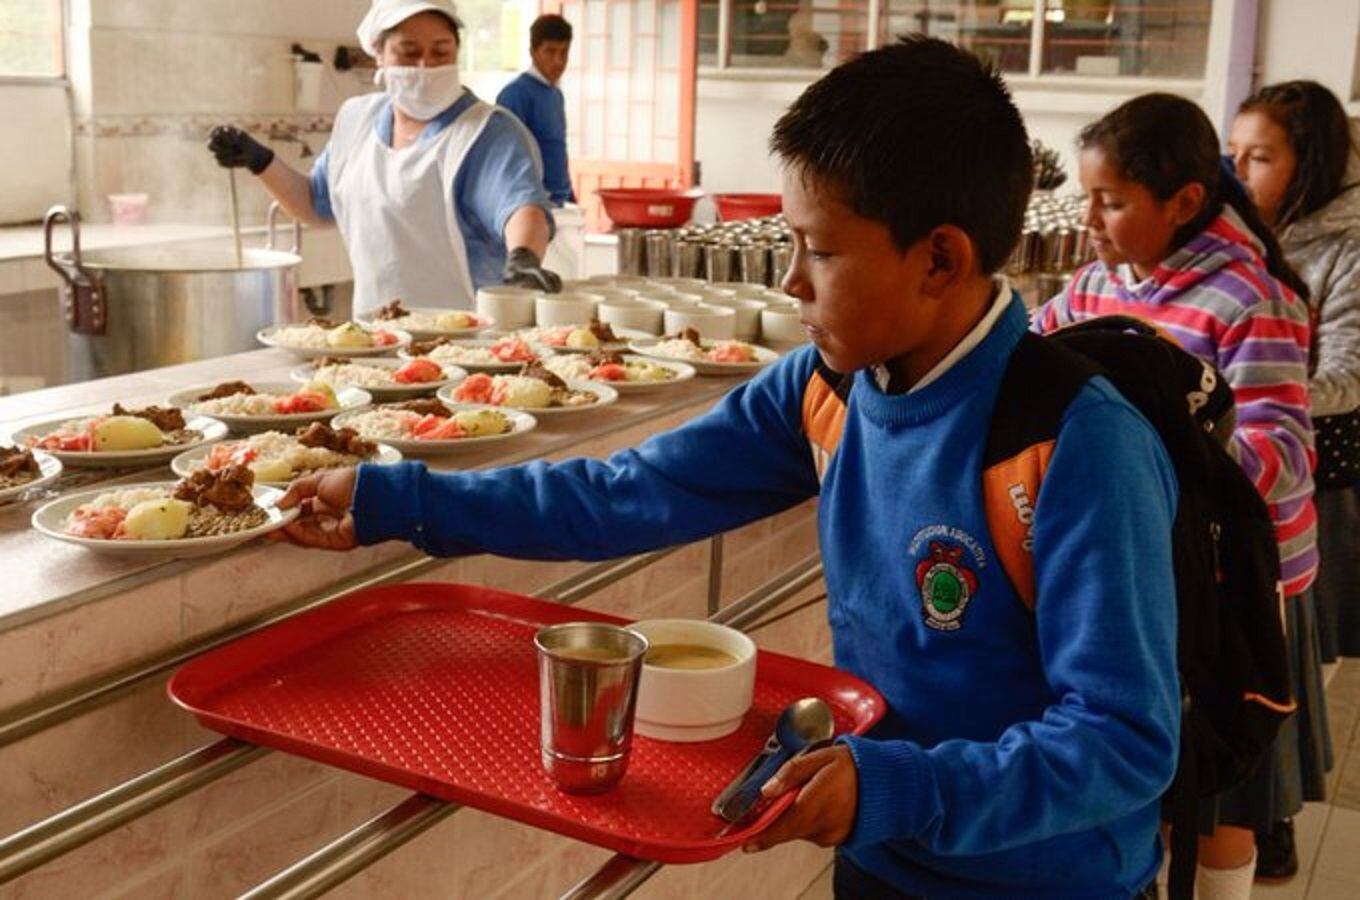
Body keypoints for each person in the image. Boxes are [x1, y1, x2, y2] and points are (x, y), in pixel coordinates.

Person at [276, 38, 1179, 898]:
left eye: (819, 251)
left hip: (1049, 881)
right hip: (888, 857)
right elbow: (627, 493)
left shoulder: (1073, 442)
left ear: (940, 259)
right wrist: (397, 497)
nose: (790, 283)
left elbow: (1123, 739)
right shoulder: (827, 388)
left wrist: (904, 791)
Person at [1032, 93, 1328, 899]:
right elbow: (1032, 359)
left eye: (1113, 201)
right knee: (1150, 775)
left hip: (1231, 585)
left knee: (1216, 798)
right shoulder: (1094, 284)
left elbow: (1282, 449)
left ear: (1185, 203)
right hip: (1146, 569)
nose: (1088, 218)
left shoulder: (1247, 297)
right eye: (1087, 197)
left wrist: (1155, 464)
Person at [207, 0, 560, 314]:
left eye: (441, 52)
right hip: (376, 340)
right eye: (409, 52)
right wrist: (259, 160)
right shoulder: (356, 120)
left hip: (468, 346)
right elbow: (315, 204)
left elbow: (521, 207)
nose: (425, 66)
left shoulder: (484, 132)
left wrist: (524, 257)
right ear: (378, 52)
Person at [1230, 78, 1360, 881]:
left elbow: (1349, 374)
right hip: (1245, 469)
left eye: (1262, 156)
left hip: (1319, 477)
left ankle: (1271, 819)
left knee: (1290, 663)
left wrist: (1256, 389)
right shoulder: (1243, 231)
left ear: (1306, 162)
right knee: (1243, 653)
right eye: (1233, 153)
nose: (1241, 171)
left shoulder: (1346, 244)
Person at [496, 14, 575, 206]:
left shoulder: (556, 95)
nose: (558, 61)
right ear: (533, 52)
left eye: (564, 52)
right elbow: (507, 158)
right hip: (533, 205)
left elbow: (556, 151)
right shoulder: (515, 94)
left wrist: (570, 196)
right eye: (550, 51)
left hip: (560, 200)